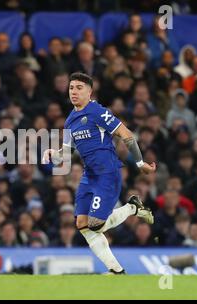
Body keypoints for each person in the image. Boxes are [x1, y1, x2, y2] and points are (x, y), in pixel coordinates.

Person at [43, 72, 156, 274]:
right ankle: (116, 270)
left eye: (79, 88)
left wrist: (140, 162)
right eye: (71, 88)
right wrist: (54, 153)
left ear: (89, 91)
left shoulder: (96, 111)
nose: (74, 92)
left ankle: (132, 207)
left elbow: (125, 134)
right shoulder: (70, 121)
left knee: (96, 224)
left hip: (108, 172)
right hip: (89, 176)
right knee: (82, 223)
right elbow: (67, 153)